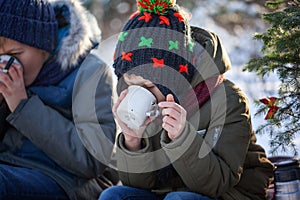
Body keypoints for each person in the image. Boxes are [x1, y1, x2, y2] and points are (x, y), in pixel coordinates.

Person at [99, 0, 274, 199]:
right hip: (170, 193)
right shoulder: (152, 104)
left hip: (228, 194)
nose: (137, 93)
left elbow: (217, 183)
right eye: (130, 84)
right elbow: (139, 185)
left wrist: (182, 138)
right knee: (114, 195)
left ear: (172, 79)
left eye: (147, 86)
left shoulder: (228, 100)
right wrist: (133, 142)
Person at [0, 0, 118, 199]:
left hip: (65, 180)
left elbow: (93, 158)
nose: (6, 63)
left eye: (14, 54)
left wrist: (22, 106)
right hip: (10, 165)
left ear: (44, 46)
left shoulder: (90, 73)